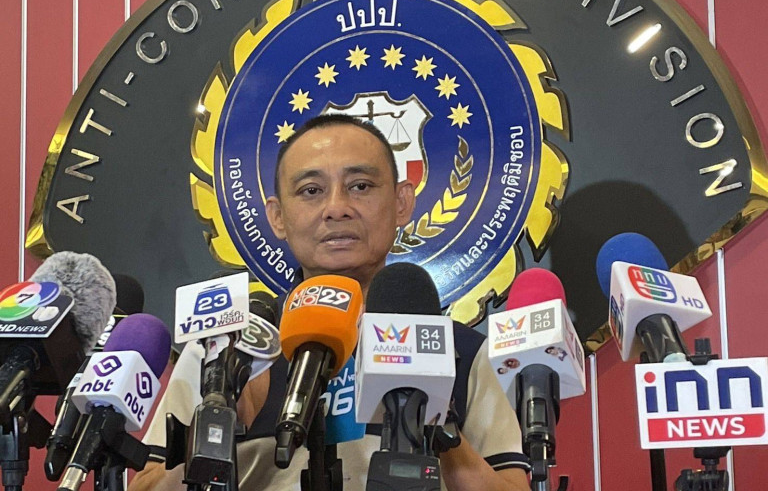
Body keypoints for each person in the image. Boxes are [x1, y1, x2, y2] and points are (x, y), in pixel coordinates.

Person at [129, 115, 530, 491]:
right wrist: (217, 426)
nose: (337, 208)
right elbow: (145, 484)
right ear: (277, 216)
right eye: (311, 191)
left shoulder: (460, 351)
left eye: (360, 186)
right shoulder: (229, 346)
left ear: (402, 202)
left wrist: (435, 424)